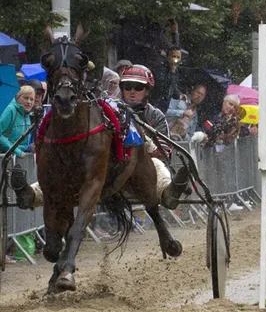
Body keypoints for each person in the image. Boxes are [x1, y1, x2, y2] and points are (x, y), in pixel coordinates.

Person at [11, 65, 190, 210]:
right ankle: (31, 195)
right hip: (110, 169)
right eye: (128, 87)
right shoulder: (109, 108)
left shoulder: (156, 115)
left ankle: (168, 193)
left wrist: (141, 150)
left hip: (142, 173)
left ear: (147, 90)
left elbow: (164, 150)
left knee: (156, 165)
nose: (132, 92)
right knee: (63, 172)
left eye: (138, 87)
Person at [0, 86, 35, 157]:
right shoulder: (10, 110)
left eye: (32, 99)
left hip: (15, 159)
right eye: (26, 98)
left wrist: (29, 147)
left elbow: (19, 144)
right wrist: (17, 152)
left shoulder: (27, 115)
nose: (29, 102)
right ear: (17, 98)